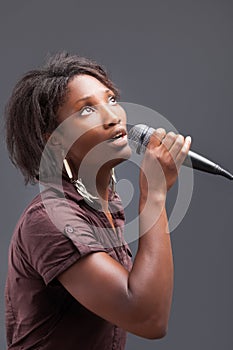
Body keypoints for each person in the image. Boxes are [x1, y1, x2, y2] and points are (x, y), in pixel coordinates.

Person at [4, 52, 191, 350]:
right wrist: (154, 194)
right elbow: (148, 317)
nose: (113, 116)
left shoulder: (103, 204)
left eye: (112, 100)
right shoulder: (51, 219)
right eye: (86, 110)